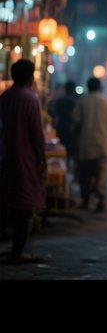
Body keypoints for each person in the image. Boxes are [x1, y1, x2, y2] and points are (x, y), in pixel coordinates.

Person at [0, 59, 48, 264]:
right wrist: (42, 158)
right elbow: (37, 134)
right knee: (26, 206)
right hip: (25, 158)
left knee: (7, 201)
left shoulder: (4, 97)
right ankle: (17, 251)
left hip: (5, 158)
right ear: (30, 77)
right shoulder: (30, 99)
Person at [72, 76, 107, 212]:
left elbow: (77, 124)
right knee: (101, 173)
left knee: (85, 174)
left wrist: (74, 141)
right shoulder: (106, 101)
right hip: (103, 143)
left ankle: (85, 200)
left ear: (88, 86)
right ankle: (100, 198)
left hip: (86, 143)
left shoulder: (82, 101)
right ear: (99, 87)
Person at [51, 80, 78, 172]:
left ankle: (62, 168)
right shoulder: (74, 101)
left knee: (60, 150)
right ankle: (66, 168)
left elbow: (54, 114)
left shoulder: (59, 101)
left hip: (60, 128)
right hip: (70, 130)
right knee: (69, 151)